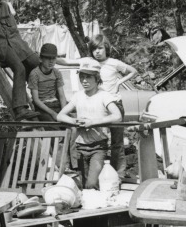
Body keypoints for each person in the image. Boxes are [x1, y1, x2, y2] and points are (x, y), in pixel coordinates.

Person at [57, 58, 122, 189]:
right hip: (80, 147)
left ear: (97, 78)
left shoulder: (105, 96)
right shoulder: (78, 96)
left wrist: (93, 122)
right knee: (81, 185)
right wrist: (75, 121)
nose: (84, 81)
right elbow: (60, 116)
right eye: (82, 77)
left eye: (88, 77)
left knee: (92, 184)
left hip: (98, 148)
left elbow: (118, 116)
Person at [88, 34, 138, 180]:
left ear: (106, 49)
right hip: (99, 105)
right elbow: (67, 61)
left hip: (115, 104)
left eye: (100, 48)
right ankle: (100, 175)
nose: (97, 52)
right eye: (94, 49)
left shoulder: (114, 63)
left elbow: (133, 71)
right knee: (98, 141)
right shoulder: (90, 63)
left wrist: (118, 82)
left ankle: (119, 175)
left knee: (117, 143)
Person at [28, 43, 67, 122]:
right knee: (53, 126)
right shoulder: (35, 74)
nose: (51, 61)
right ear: (40, 59)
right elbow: (36, 100)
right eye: (48, 58)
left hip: (56, 103)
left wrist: (63, 112)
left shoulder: (56, 72)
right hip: (42, 107)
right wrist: (52, 113)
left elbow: (62, 95)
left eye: (53, 58)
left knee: (71, 121)